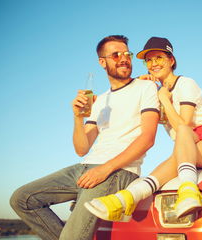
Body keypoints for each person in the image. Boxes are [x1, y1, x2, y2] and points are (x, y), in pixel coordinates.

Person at [9, 35, 160, 240]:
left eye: (127, 54)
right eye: (116, 55)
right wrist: (78, 118)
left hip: (117, 170)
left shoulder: (145, 87)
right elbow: (82, 148)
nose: (124, 58)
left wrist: (105, 169)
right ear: (102, 62)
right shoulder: (98, 100)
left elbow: (147, 139)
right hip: (85, 167)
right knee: (22, 199)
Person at [85, 36, 202, 221]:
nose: (153, 63)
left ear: (171, 60)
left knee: (180, 141)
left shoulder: (185, 83)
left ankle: (186, 191)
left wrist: (164, 98)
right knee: (176, 158)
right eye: (149, 60)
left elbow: (184, 127)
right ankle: (126, 199)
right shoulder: (154, 90)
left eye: (159, 58)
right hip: (187, 149)